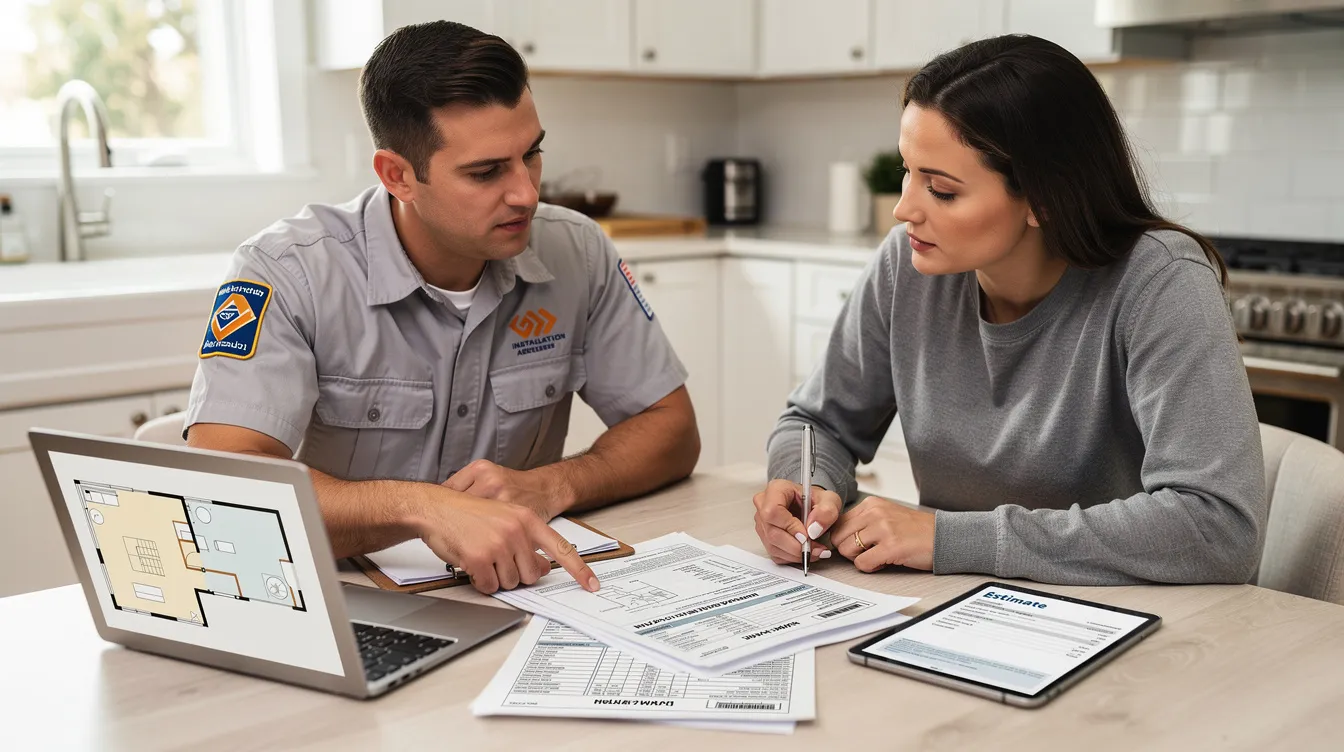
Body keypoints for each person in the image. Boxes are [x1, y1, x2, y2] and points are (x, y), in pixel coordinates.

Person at [185, 21, 700, 594]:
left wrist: (554, 485)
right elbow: (226, 486)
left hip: (524, 594)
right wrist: (421, 508)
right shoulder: (286, 272)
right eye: (486, 172)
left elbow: (672, 431)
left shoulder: (576, 249)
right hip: (342, 600)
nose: (526, 193)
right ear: (398, 176)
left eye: (531, 155)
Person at [752, 34, 1265, 586]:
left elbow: (1217, 527)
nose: (904, 209)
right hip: (958, 604)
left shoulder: (1160, 282)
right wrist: (808, 485)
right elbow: (817, 422)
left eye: (942, 190)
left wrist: (950, 538)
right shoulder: (908, 264)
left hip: (1134, 624)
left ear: (1044, 200)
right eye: (908, 171)